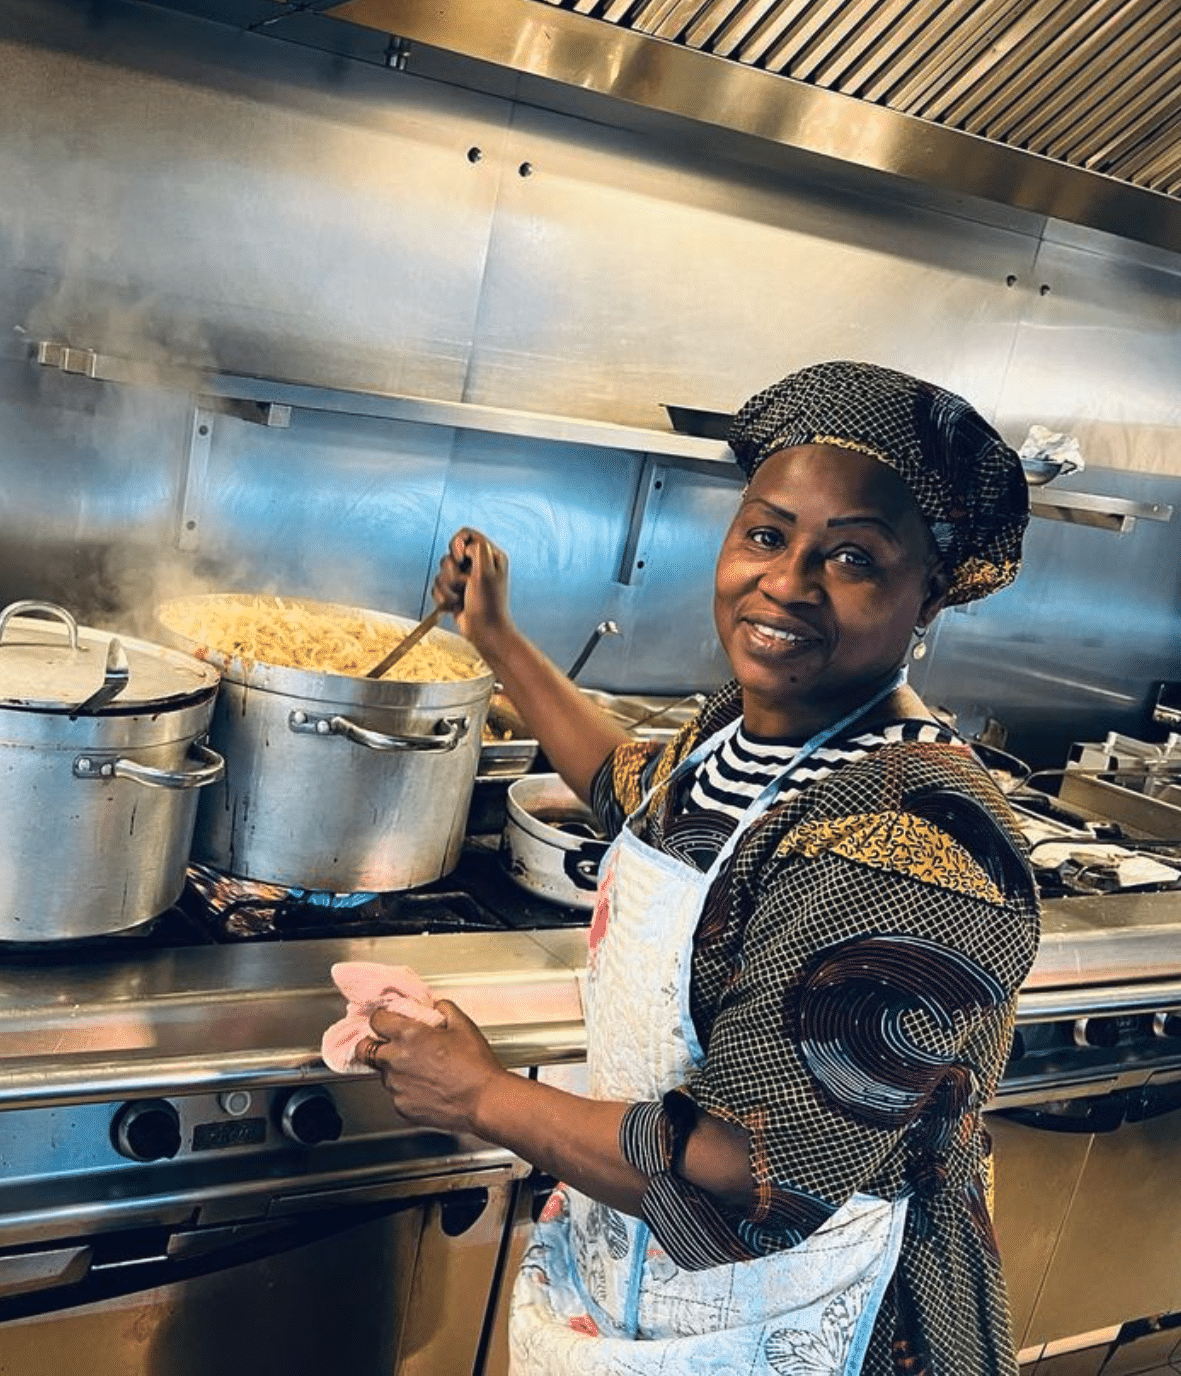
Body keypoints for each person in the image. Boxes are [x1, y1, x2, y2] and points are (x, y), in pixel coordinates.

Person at [358, 360, 1041, 1374]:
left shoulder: (912, 842)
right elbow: (629, 785)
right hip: (654, 1290)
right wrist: (495, 637)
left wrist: (480, 1097)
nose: (787, 581)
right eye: (768, 534)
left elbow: (758, 1179)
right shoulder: (753, 728)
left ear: (927, 594)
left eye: (851, 558)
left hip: (819, 1318)